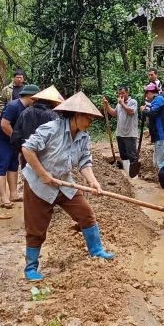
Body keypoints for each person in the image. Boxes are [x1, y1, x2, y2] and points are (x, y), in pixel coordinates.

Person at [20, 91, 114, 282]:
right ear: (76, 115)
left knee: (85, 213)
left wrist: (93, 181)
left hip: (64, 181)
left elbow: (85, 161)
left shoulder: (83, 137)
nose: (90, 123)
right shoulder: (51, 129)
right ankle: (31, 268)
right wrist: (43, 174)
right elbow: (27, 149)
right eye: (88, 118)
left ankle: (96, 250)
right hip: (38, 184)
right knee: (36, 228)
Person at [0, 84, 39, 209]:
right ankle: (3, 197)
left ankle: (13, 194)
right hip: (1, 139)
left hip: (12, 141)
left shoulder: (26, 108)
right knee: (1, 166)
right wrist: (16, 138)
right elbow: (4, 125)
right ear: (31, 97)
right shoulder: (13, 106)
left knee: (13, 166)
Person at [11, 85, 64, 169]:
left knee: (28, 177)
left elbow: (16, 136)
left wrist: (23, 150)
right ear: (51, 101)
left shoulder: (25, 112)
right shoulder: (54, 116)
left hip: (27, 151)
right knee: (45, 178)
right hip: (47, 155)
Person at [101, 85, 138, 175]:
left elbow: (131, 111)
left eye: (123, 93)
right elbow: (114, 113)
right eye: (119, 94)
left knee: (132, 155)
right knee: (123, 155)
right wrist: (107, 105)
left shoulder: (133, 102)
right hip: (120, 133)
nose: (121, 95)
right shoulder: (119, 104)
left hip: (130, 134)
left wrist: (122, 103)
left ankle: (134, 175)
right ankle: (127, 172)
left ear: (127, 93)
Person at [140, 83, 164, 168]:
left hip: (163, 136)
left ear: (149, 93)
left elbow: (152, 113)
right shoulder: (162, 100)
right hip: (162, 137)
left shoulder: (158, 99)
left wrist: (144, 111)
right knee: (163, 161)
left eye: (146, 95)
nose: (146, 98)